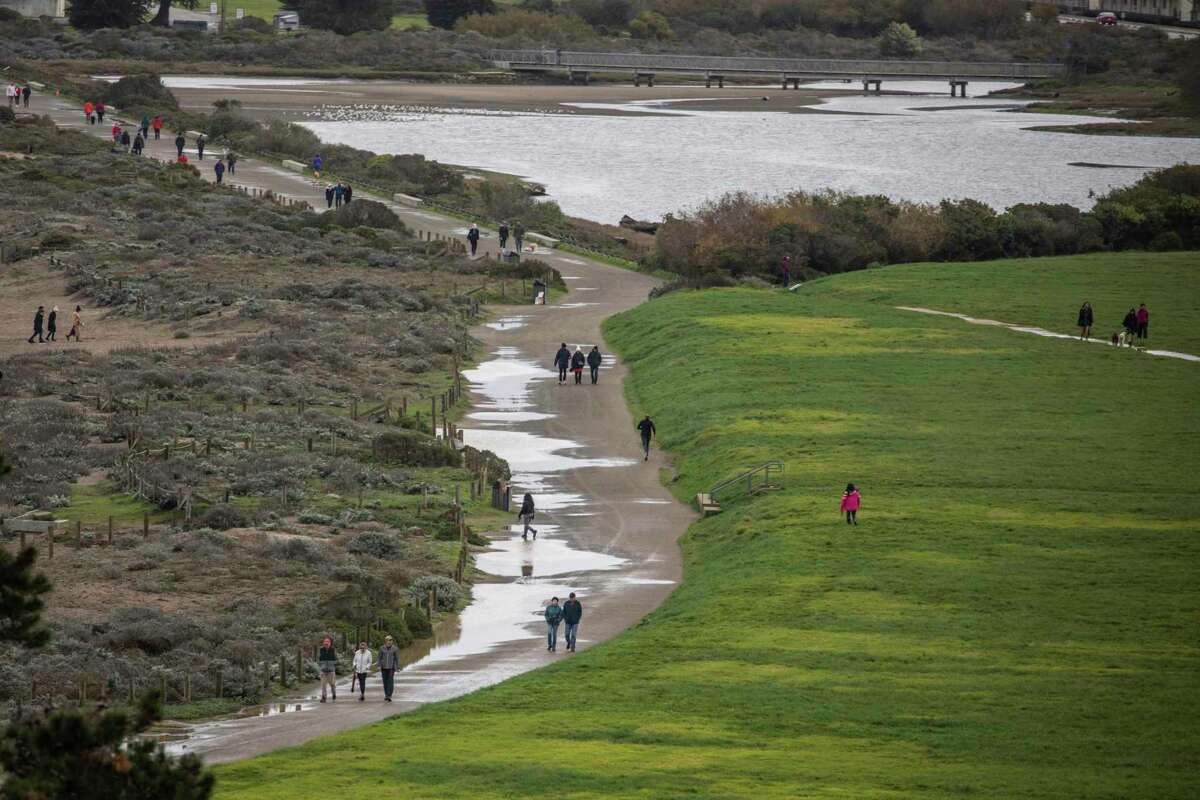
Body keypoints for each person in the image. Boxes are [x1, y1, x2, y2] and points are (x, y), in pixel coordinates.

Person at [378, 635, 400, 702]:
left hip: (391, 668)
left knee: (390, 681)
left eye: (390, 640)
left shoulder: (395, 649)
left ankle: (389, 695)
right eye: (388, 640)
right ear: (385, 641)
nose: (389, 641)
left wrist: (398, 667)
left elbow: (397, 659)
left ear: (392, 641)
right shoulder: (381, 648)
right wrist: (379, 665)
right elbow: (379, 658)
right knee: (385, 682)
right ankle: (386, 695)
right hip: (383, 667)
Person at [318, 637, 337, 702]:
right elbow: (320, 659)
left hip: (331, 670)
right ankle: (324, 697)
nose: (326, 643)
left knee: (332, 684)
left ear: (330, 643)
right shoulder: (321, 649)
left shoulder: (333, 650)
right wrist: (321, 666)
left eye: (327, 642)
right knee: (323, 685)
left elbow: (334, 660)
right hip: (323, 670)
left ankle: (334, 693)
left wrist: (331, 666)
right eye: (325, 642)